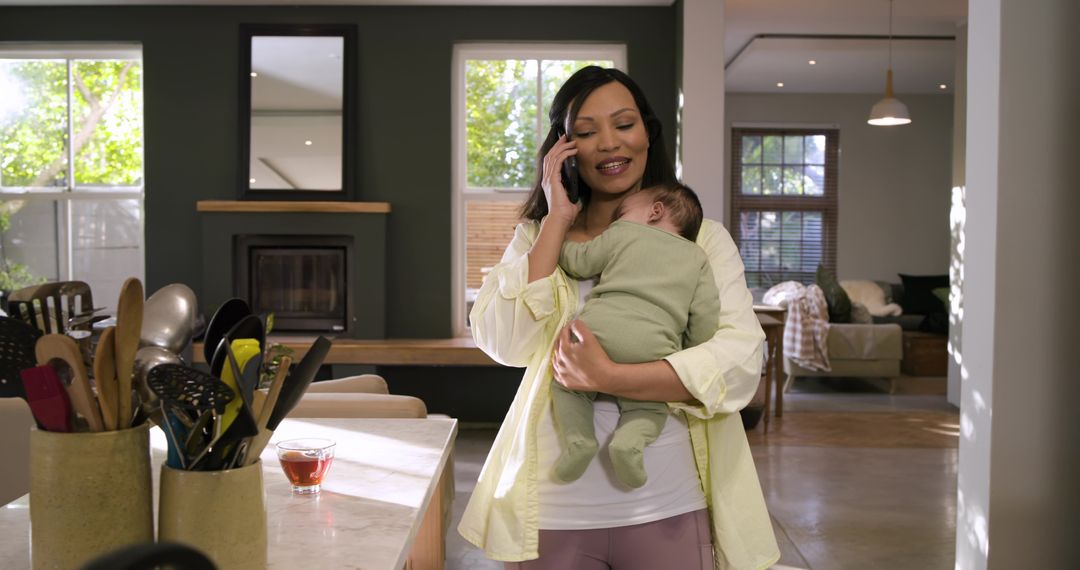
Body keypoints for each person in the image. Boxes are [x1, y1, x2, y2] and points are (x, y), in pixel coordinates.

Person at [458, 66, 779, 570]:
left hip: (670, 504)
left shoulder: (702, 239)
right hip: (553, 514)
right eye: (586, 132)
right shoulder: (538, 239)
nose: (609, 143)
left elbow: (738, 360)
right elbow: (504, 343)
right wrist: (557, 220)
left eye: (624, 124)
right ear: (564, 150)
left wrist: (612, 378)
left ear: (648, 133)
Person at [552, 182, 720, 490]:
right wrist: (688, 351)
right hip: (654, 347)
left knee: (566, 386)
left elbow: (579, 262)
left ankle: (579, 441)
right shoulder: (698, 258)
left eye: (623, 213)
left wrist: (557, 237)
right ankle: (629, 443)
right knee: (651, 404)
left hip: (597, 334)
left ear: (655, 212)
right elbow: (706, 316)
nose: (617, 219)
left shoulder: (623, 233)